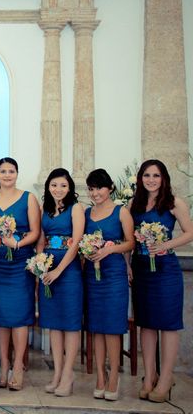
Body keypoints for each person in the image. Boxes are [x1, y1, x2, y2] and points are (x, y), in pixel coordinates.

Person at [129, 160, 193, 403]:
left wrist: (165, 245)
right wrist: (127, 266)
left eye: (156, 175)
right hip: (142, 268)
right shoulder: (134, 205)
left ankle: (166, 378)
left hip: (165, 270)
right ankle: (149, 376)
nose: (151, 179)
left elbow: (190, 232)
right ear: (140, 178)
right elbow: (129, 239)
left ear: (164, 177)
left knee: (167, 324)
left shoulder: (174, 203)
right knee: (146, 323)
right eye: (147, 175)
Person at [0, 157, 40, 391]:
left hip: (19, 263)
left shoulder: (28, 198)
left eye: (12, 171)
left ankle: (18, 365)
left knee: (19, 315)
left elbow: (36, 232)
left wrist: (17, 245)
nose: (7, 175)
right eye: (3, 171)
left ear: (17, 173)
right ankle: (2, 364)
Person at [83, 168, 135, 401]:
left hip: (113, 275)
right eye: (91, 189)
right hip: (92, 276)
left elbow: (131, 242)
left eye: (99, 188)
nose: (95, 193)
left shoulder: (121, 212)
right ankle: (100, 376)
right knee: (96, 327)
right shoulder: (86, 213)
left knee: (112, 327)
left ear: (110, 188)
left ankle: (114, 375)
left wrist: (110, 249)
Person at [35, 168, 84, 397]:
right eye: (54, 185)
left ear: (70, 188)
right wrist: (41, 265)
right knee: (53, 323)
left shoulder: (76, 208)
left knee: (71, 323)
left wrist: (59, 270)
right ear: (48, 187)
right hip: (48, 271)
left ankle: (68, 373)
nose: (58, 189)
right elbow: (41, 241)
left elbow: (76, 243)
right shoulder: (45, 209)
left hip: (69, 270)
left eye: (63, 185)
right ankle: (56, 373)